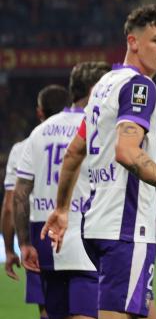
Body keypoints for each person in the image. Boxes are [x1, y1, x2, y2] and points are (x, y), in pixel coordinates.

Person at [42, 5, 156, 319]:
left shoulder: (103, 87)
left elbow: (73, 153)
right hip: (124, 228)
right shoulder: (140, 86)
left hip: (96, 224)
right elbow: (127, 151)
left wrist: (62, 208)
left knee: (144, 311)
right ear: (133, 42)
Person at [14, 62, 111, 319]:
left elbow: (21, 192)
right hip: (86, 235)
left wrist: (24, 242)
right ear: (94, 91)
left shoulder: (39, 132)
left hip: (45, 239)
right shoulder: (98, 127)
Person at [2, 84, 69, 319]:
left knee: (47, 310)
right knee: (85, 303)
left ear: (40, 112)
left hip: (39, 231)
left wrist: (11, 248)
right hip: (77, 225)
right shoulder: (85, 139)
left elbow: (11, 204)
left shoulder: (22, 148)